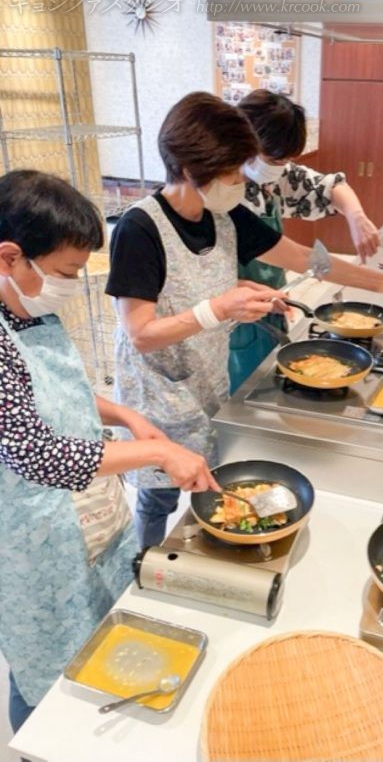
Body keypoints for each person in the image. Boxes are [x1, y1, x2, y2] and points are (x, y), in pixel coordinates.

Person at [106, 91, 383, 549]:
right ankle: (145, 564)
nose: (240, 181)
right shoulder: (140, 229)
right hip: (156, 397)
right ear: (193, 171)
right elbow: (141, 335)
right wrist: (219, 308)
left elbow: (302, 258)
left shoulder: (224, 213)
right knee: (159, 497)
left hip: (205, 381)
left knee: (204, 485)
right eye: (233, 172)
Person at [0, 171, 216, 734]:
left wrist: (123, 414)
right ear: (10, 258)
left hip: (86, 514)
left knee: (100, 634)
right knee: (44, 673)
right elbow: (37, 454)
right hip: (32, 539)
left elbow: (58, 392)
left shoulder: (27, 311)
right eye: (68, 272)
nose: (74, 284)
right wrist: (156, 453)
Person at [229, 90, 381, 392]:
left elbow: (328, 187)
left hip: (269, 306)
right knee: (240, 399)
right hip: (232, 321)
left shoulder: (271, 178)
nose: (281, 166)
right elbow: (300, 258)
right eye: (275, 158)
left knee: (267, 388)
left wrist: (356, 215)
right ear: (244, 143)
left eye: (287, 160)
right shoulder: (223, 193)